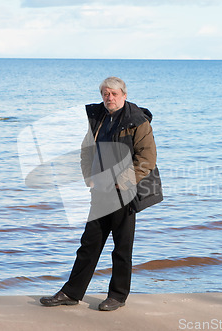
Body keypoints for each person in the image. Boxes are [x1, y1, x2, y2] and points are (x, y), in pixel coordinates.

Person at [40, 77, 162, 311]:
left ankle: (117, 296)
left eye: (114, 94)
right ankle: (71, 293)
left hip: (124, 192)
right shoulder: (96, 118)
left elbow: (147, 158)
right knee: (89, 244)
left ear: (124, 95)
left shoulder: (138, 121)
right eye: (106, 94)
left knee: (122, 247)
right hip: (100, 190)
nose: (110, 98)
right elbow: (86, 150)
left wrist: (122, 182)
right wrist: (89, 177)